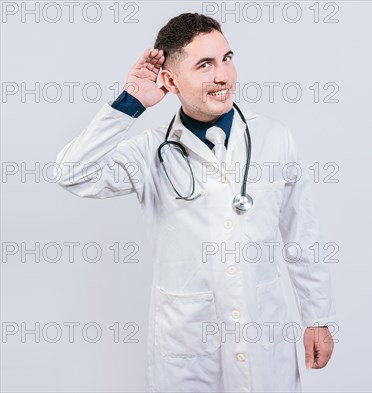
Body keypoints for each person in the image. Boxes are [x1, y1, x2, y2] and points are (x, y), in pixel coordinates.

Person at [54, 13, 336, 393]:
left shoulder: (274, 138)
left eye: (227, 58)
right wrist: (130, 103)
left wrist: (317, 316)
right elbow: (72, 172)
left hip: (263, 333)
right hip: (185, 347)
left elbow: (302, 234)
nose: (223, 75)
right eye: (204, 65)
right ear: (170, 81)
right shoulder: (148, 152)